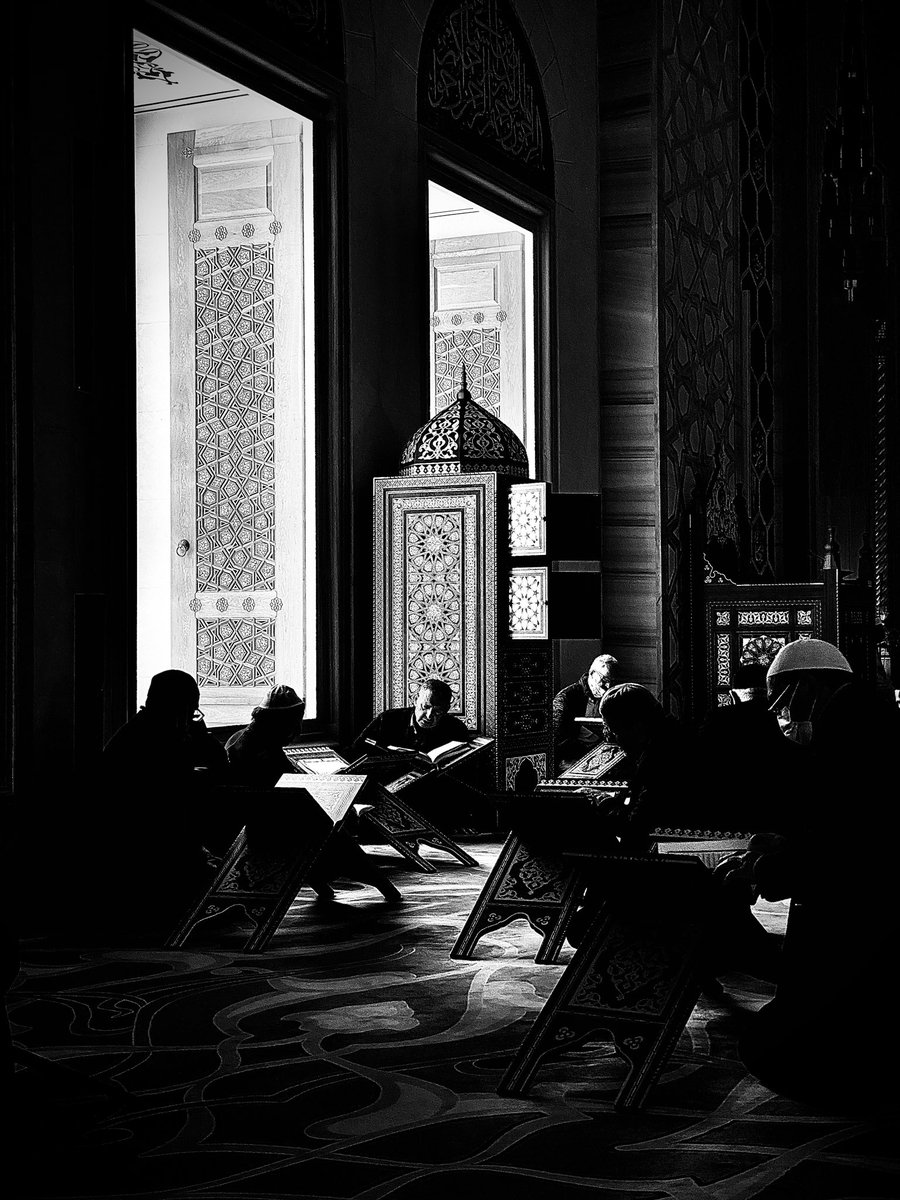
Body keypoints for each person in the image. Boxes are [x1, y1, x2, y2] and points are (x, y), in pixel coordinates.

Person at [728, 638, 900, 1107]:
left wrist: (768, 867)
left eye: (783, 700)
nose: (781, 715)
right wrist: (786, 848)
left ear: (806, 684)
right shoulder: (864, 713)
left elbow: (846, 840)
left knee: (806, 1041)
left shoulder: (849, 727)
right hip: (868, 893)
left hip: (860, 908)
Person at [226, 684, 402, 904]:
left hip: (268, 819)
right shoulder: (261, 752)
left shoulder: (243, 739)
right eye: (293, 726)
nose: (297, 733)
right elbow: (283, 797)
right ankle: (384, 886)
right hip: (272, 828)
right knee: (332, 833)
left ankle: (334, 883)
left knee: (328, 824)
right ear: (278, 723)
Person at [90, 670, 233, 932]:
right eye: (191, 711)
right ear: (180, 709)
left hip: (137, 850)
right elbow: (166, 813)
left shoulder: (143, 731)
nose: (192, 719)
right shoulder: (157, 740)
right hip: (142, 856)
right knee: (225, 889)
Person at [695, 661, 806, 832]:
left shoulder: (718, 720)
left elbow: (701, 768)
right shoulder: (788, 723)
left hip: (725, 820)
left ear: (733, 696)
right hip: (781, 822)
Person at [349, 678, 471, 760]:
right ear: (416, 700)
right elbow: (355, 752)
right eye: (425, 707)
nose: (429, 716)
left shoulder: (456, 729)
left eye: (438, 711)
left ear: (447, 709)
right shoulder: (388, 720)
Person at [551, 654, 620, 774]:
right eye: (604, 680)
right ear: (592, 674)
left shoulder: (613, 696)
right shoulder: (565, 699)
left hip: (605, 756)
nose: (607, 687)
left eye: (612, 681)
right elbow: (557, 740)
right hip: (572, 759)